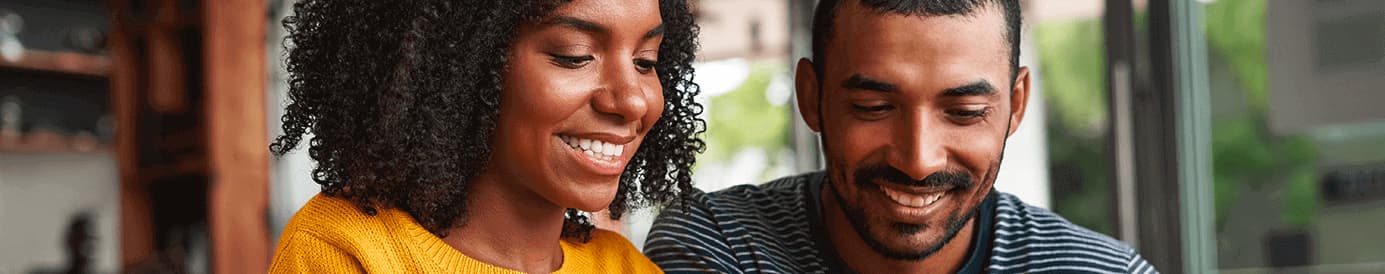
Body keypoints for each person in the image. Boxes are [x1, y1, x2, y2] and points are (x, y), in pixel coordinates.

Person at [644, 0, 1158, 273]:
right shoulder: (720, 245)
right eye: (873, 108)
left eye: (964, 111)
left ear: (1015, 105)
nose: (918, 159)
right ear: (811, 96)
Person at [268, 0, 703, 272]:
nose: (632, 100)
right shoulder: (343, 250)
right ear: (456, 66)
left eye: (645, 61)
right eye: (575, 56)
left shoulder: (627, 268)